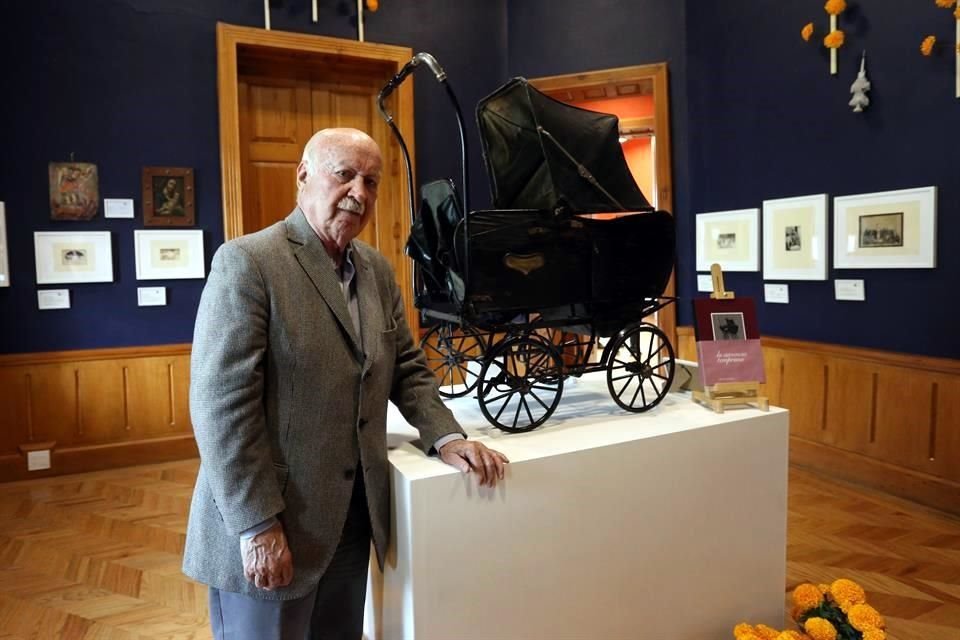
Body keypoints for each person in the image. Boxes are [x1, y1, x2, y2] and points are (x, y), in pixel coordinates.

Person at [183, 128, 508, 639]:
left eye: (371, 181)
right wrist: (257, 525)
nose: (359, 191)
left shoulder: (376, 269)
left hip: (353, 521)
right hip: (273, 522)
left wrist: (446, 436)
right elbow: (220, 407)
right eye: (345, 174)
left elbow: (406, 365)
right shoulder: (249, 262)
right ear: (303, 175)